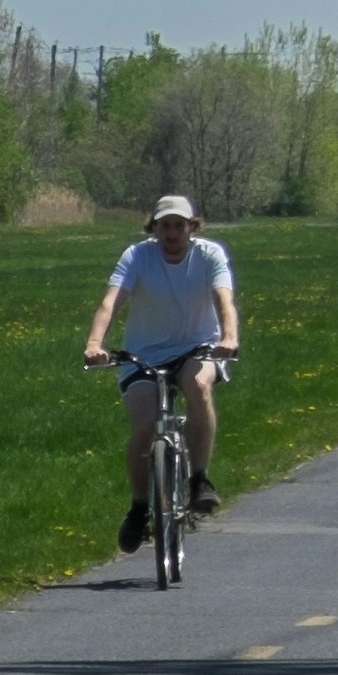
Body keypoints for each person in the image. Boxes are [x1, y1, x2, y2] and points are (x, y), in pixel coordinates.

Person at [78, 193, 241, 555]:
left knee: (199, 386)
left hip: (198, 347)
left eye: (179, 226)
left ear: (192, 228)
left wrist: (229, 338)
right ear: (153, 228)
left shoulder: (209, 254)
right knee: (143, 425)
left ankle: (198, 480)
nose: (171, 234)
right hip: (144, 353)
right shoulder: (137, 256)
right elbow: (111, 302)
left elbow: (223, 300)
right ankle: (139, 509)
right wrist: (94, 343)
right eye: (164, 226)